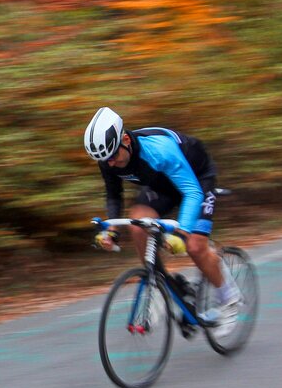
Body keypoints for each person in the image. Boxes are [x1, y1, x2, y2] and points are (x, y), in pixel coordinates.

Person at [84, 106, 242, 336]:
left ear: (125, 139)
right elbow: (113, 195)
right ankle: (158, 284)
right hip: (163, 185)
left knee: (194, 246)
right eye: (103, 160)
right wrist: (111, 230)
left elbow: (192, 192)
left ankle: (229, 299)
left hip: (197, 181)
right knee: (138, 222)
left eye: (113, 157)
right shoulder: (108, 158)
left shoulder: (159, 151)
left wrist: (182, 232)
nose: (110, 164)